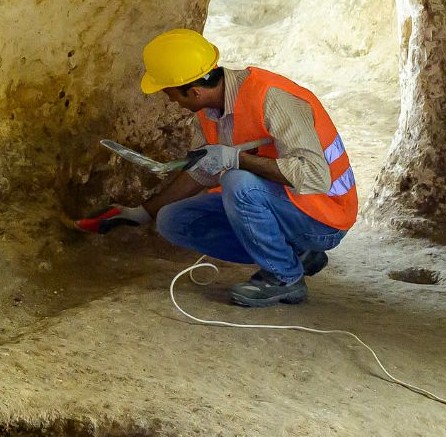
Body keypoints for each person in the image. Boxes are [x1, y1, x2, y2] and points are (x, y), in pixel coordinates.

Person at [78, 29, 358, 307]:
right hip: (288, 205)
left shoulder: (270, 97)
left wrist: (237, 159)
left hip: (325, 215)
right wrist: (142, 212)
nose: (171, 101)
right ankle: (294, 253)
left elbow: (315, 176)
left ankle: (285, 278)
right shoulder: (209, 110)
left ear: (195, 91)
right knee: (172, 220)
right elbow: (202, 170)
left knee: (238, 183)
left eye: (170, 93)